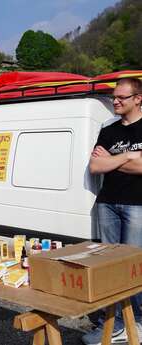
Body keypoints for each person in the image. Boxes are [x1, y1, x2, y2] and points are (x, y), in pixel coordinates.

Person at [83, 78, 142, 345]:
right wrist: (130, 157)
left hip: (137, 205)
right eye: (114, 96)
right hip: (107, 204)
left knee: (134, 267)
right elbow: (95, 167)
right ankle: (116, 324)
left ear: (138, 99)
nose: (115, 101)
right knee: (109, 267)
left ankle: (138, 323)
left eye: (121, 97)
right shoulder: (108, 130)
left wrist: (111, 161)